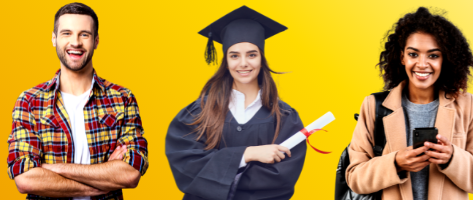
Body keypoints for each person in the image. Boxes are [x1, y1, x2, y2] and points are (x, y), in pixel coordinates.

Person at [346, 7, 473, 200]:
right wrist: (396, 163)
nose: (422, 64)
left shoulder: (466, 105)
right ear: (402, 57)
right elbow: (354, 177)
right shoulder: (373, 106)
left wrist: (452, 158)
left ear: (445, 59)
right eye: (413, 54)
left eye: (433, 55)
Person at [7, 3, 148, 199]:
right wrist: (103, 176)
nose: (76, 42)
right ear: (54, 39)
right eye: (66, 33)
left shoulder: (122, 99)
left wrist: (49, 168)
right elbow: (25, 178)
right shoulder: (30, 102)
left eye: (84, 34)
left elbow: (130, 173)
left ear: (96, 41)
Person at [165, 6, 306, 200]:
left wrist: (219, 173)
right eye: (234, 55)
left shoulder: (285, 117)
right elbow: (187, 167)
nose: (243, 63)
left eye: (251, 54)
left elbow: (282, 179)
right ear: (226, 60)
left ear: (261, 58)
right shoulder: (198, 112)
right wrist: (247, 154)